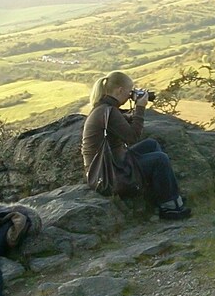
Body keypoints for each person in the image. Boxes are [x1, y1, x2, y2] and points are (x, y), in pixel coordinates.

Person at [81, 71, 190, 220]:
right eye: (129, 91)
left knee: (151, 145)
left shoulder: (103, 108)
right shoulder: (108, 111)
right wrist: (140, 108)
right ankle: (169, 207)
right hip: (108, 174)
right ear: (120, 90)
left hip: (110, 164)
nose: (130, 95)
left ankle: (164, 196)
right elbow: (133, 137)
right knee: (160, 159)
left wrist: (129, 115)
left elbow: (120, 127)